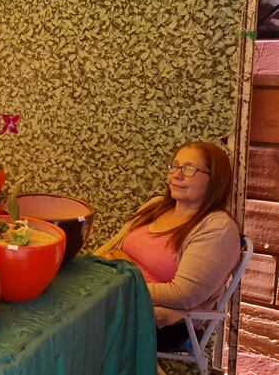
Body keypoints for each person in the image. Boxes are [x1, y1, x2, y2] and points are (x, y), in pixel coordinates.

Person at [96, 141, 240, 351]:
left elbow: (182, 294)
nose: (176, 175)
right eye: (174, 166)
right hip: (118, 295)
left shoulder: (217, 228)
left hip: (164, 321)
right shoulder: (155, 206)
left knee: (72, 328)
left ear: (215, 179)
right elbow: (112, 244)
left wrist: (123, 283)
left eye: (189, 169)